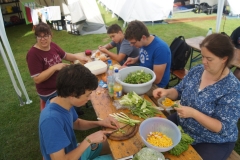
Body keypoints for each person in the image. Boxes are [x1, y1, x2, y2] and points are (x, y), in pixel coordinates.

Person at [153, 33, 240, 160]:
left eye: (209, 59)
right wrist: (167, 92)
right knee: (154, 137)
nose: (204, 61)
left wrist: (194, 113)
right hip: (183, 123)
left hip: (211, 140)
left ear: (224, 59)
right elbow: (179, 90)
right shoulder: (197, 71)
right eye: (203, 56)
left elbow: (222, 127)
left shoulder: (232, 88)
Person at [39, 64, 120, 160]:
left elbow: (76, 123)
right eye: (87, 95)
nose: (89, 98)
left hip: (75, 152)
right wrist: (89, 140)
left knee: (115, 144)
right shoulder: (51, 121)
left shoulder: (64, 101)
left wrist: (100, 122)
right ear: (72, 95)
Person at [26, 22, 88, 102]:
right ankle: (73, 109)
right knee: (75, 96)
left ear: (51, 36)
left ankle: (76, 107)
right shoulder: (33, 54)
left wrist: (78, 57)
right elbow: (37, 79)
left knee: (82, 84)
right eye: (39, 36)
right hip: (50, 91)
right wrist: (55, 67)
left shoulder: (52, 45)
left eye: (45, 36)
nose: (43, 39)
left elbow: (65, 55)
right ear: (36, 37)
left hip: (61, 83)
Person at [123, 20, 171, 88]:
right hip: (143, 78)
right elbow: (147, 56)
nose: (131, 45)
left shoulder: (161, 49)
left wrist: (131, 72)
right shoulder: (144, 42)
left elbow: (157, 80)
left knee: (123, 88)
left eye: (133, 42)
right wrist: (136, 59)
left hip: (155, 86)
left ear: (143, 37)